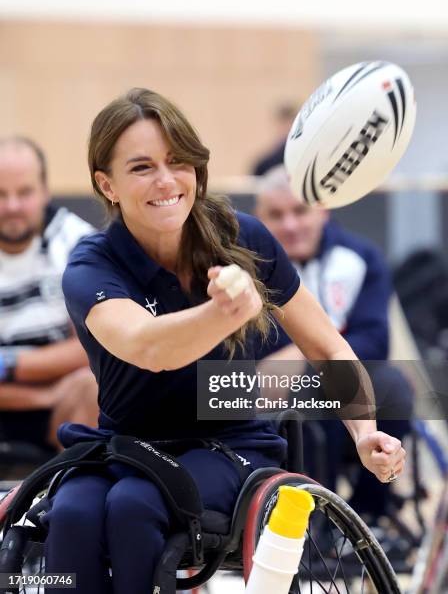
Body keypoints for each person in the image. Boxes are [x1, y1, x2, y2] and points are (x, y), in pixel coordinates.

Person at [44, 88, 405, 594]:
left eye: (178, 161)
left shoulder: (243, 237)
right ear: (107, 184)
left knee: (133, 505)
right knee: (74, 512)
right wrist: (223, 313)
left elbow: (326, 347)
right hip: (127, 445)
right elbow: (148, 347)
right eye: (142, 167)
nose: (167, 181)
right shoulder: (91, 264)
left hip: (228, 443)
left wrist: (364, 433)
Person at [254, 164, 413, 522]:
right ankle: (312, 520)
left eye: (299, 211)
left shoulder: (360, 258)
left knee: (395, 386)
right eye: (277, 215)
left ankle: (368, 515)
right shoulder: (246, 267)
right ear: (259, 218)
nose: (291, 225)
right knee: (305, 387)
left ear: (322, 209)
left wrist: (306, 350)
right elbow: (250, 352)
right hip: (264, 397)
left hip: (337, 385)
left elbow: (375, 341)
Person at [0, 137, 98, 452]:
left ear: (44, 191)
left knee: (92, 384)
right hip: (35, 393)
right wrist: (42, 390)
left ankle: (73, 493)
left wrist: (11, 363)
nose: (12, 206)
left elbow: (93, 345)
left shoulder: (79, 244)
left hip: (64, 401)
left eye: (24, 193)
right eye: (0, 194)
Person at [250, 103, 298, 176]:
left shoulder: (300, 157)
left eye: (290, 123)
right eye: (283, 123)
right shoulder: (264, 164)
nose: (287, 128)